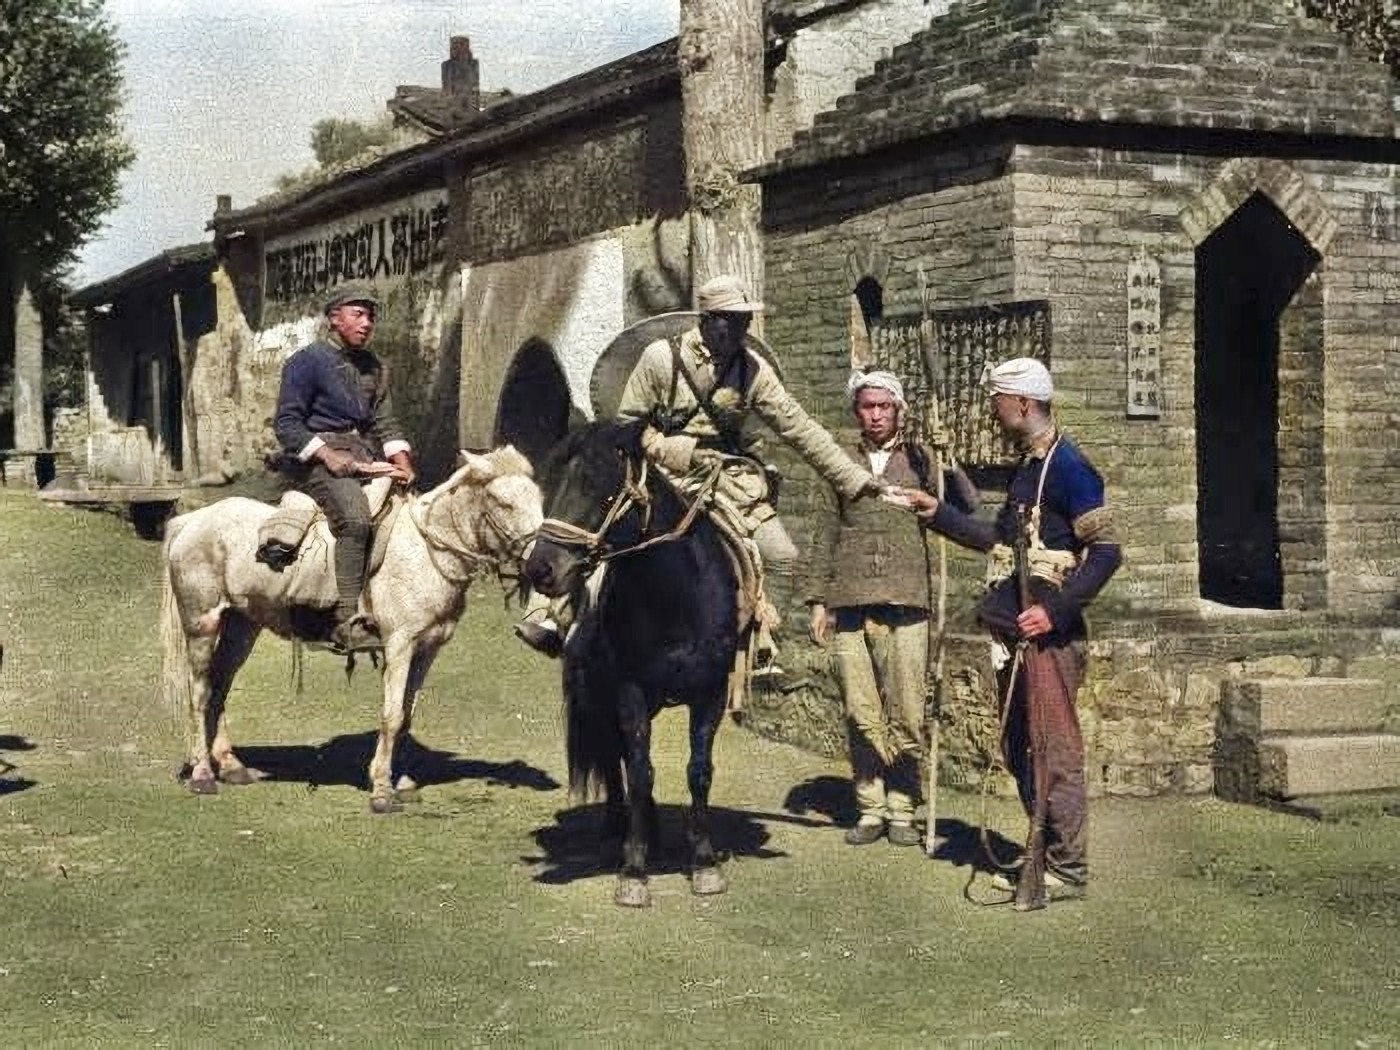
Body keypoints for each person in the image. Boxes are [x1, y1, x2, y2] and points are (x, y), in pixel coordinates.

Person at [515, 273, 883, 656]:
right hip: (656, 473)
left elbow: (801, 429)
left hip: (727, 478)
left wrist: (855, 479)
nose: (741, 327)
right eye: (731, 319)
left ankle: (760, 644)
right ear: (707, 320)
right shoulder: (661, 358)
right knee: (604, 533)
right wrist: (673, 450)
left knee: (782, 556)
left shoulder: (752, 371)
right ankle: (551, 615)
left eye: (744, 319)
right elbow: (625, 427)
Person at [900, 358, 1120, 897]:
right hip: (1013, 632)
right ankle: (1040, 851)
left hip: (1047, 636)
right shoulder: (1029, 468)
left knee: (1055, 748)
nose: (992, 412)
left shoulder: (1071, 468)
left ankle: (1068, 870)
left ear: (1021, 404)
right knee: (1021, 745)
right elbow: (996, 541)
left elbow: (1107, 552)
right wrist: (938, 514)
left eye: (997, 401)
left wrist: (1056, 609)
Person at [806, 370, 978, 846]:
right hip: (851, 600)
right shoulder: (840, 461)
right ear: (857, 410)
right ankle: (870, 808)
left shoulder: (922, 458)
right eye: (868, 406)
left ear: (899, 408)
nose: (876, 414)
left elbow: (966, 506)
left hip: (908, 599)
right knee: (861, 709)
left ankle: (903, 809)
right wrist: (819, 600)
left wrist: (950, 459)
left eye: (885, 406)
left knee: (906, 708)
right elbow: (824, 533)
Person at [273, 286, 416, 653]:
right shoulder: (306, 362)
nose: (366, 323)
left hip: (365, 460)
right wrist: (326, 455)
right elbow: (287, 424)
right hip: (318, 465)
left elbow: (385, 422)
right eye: (357, 314)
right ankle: (344, 622)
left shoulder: (374, 367)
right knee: (355, 519)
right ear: (334, 317)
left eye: (371, 317)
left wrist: (403, 465)